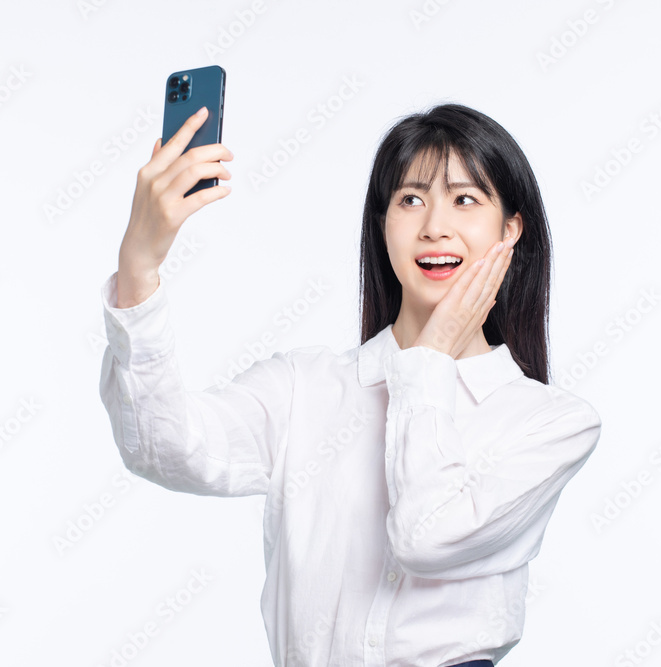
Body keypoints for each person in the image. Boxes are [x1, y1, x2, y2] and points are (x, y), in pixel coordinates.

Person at [98, 102, 602, 667]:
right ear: (383, 225)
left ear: (510, 229)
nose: (434, 225)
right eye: (411, 199)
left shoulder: (550, 422)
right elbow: (162, 448)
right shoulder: (304, 387)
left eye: (465, 199)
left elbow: (427, 537)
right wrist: (138, 266)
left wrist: (428, 359)